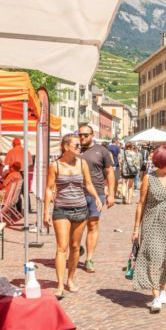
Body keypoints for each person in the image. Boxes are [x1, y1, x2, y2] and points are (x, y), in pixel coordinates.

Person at [131, 146, 166, 313]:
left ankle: (162, 288)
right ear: (162, 161)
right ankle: (156, 295)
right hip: (153, 223)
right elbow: (141, 203)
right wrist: (136, 228)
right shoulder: (149, 178)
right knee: (154, 258)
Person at [43, 134, 101, 299]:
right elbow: (49, 188)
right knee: (62, 247)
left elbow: (88, 184)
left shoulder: (82, 163)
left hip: (80, 209)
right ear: (65, 146)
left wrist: (96, 198)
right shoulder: (55, 166)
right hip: (61, 209)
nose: (79, 147)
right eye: (76, 145)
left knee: (75, 247)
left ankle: (71, 279)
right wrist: (46, 211)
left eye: (79, 145)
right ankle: (60, 284)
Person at [77, 123, 116, 273]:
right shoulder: (74, 148)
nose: (82, 137)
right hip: (76, 192)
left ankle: (89, 259)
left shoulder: (102, 151)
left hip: (97, 192)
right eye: (80, 134)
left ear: (92, 135)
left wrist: (111, 193)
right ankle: (77, 247)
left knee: (92, 225)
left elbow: (109, 172)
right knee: (74, 226)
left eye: (85, 135)